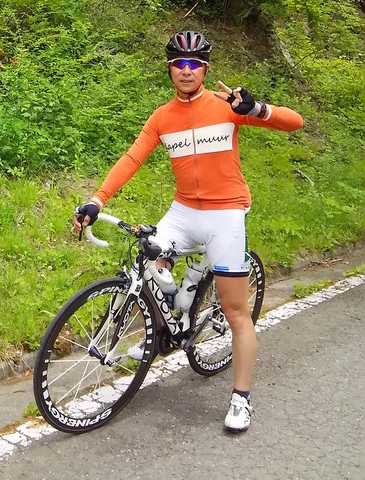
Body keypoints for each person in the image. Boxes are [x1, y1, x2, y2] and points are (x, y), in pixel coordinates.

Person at [73, 30, 303, 433]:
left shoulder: (229, 106)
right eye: (179, 63)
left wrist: (259, 108)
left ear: (206, 69)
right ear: (169, 70)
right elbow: (132, 158)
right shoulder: (162, 117)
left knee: (235, 312)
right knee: (149, 260)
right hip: (183, 211)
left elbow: (295, 123)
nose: (186, 70)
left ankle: (241, 399)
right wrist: (97, 200)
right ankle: (169, 325)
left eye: (194, 63)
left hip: (225, 213)